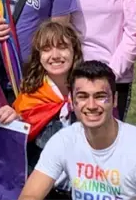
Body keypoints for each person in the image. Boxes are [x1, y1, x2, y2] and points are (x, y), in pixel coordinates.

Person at [18, 61, 136, 200]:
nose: (91, 105)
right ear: (72, 100)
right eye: (83, 96)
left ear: (115, 99)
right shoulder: (64, 140)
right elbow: (30, 195)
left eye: (100, 96)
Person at [13, 22, 83, 177]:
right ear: (39, 57)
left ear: (74, 51)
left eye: (62, 47)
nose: (55, 55)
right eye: (46, 49)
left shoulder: (88, 93)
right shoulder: (29, 98)